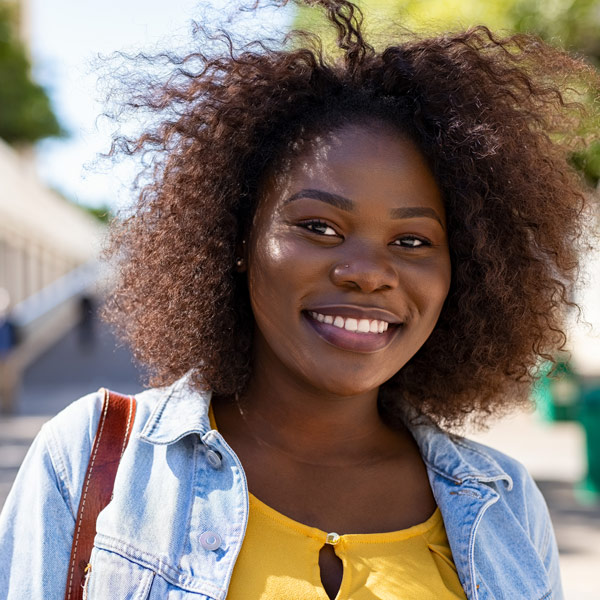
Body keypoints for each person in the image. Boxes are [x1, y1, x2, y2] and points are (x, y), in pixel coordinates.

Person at [0, 1, 597, 598]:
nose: (368, 273)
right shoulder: (94, 461)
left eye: (413, 240)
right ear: (237, 239)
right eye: (318, 227)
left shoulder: (506, 505)